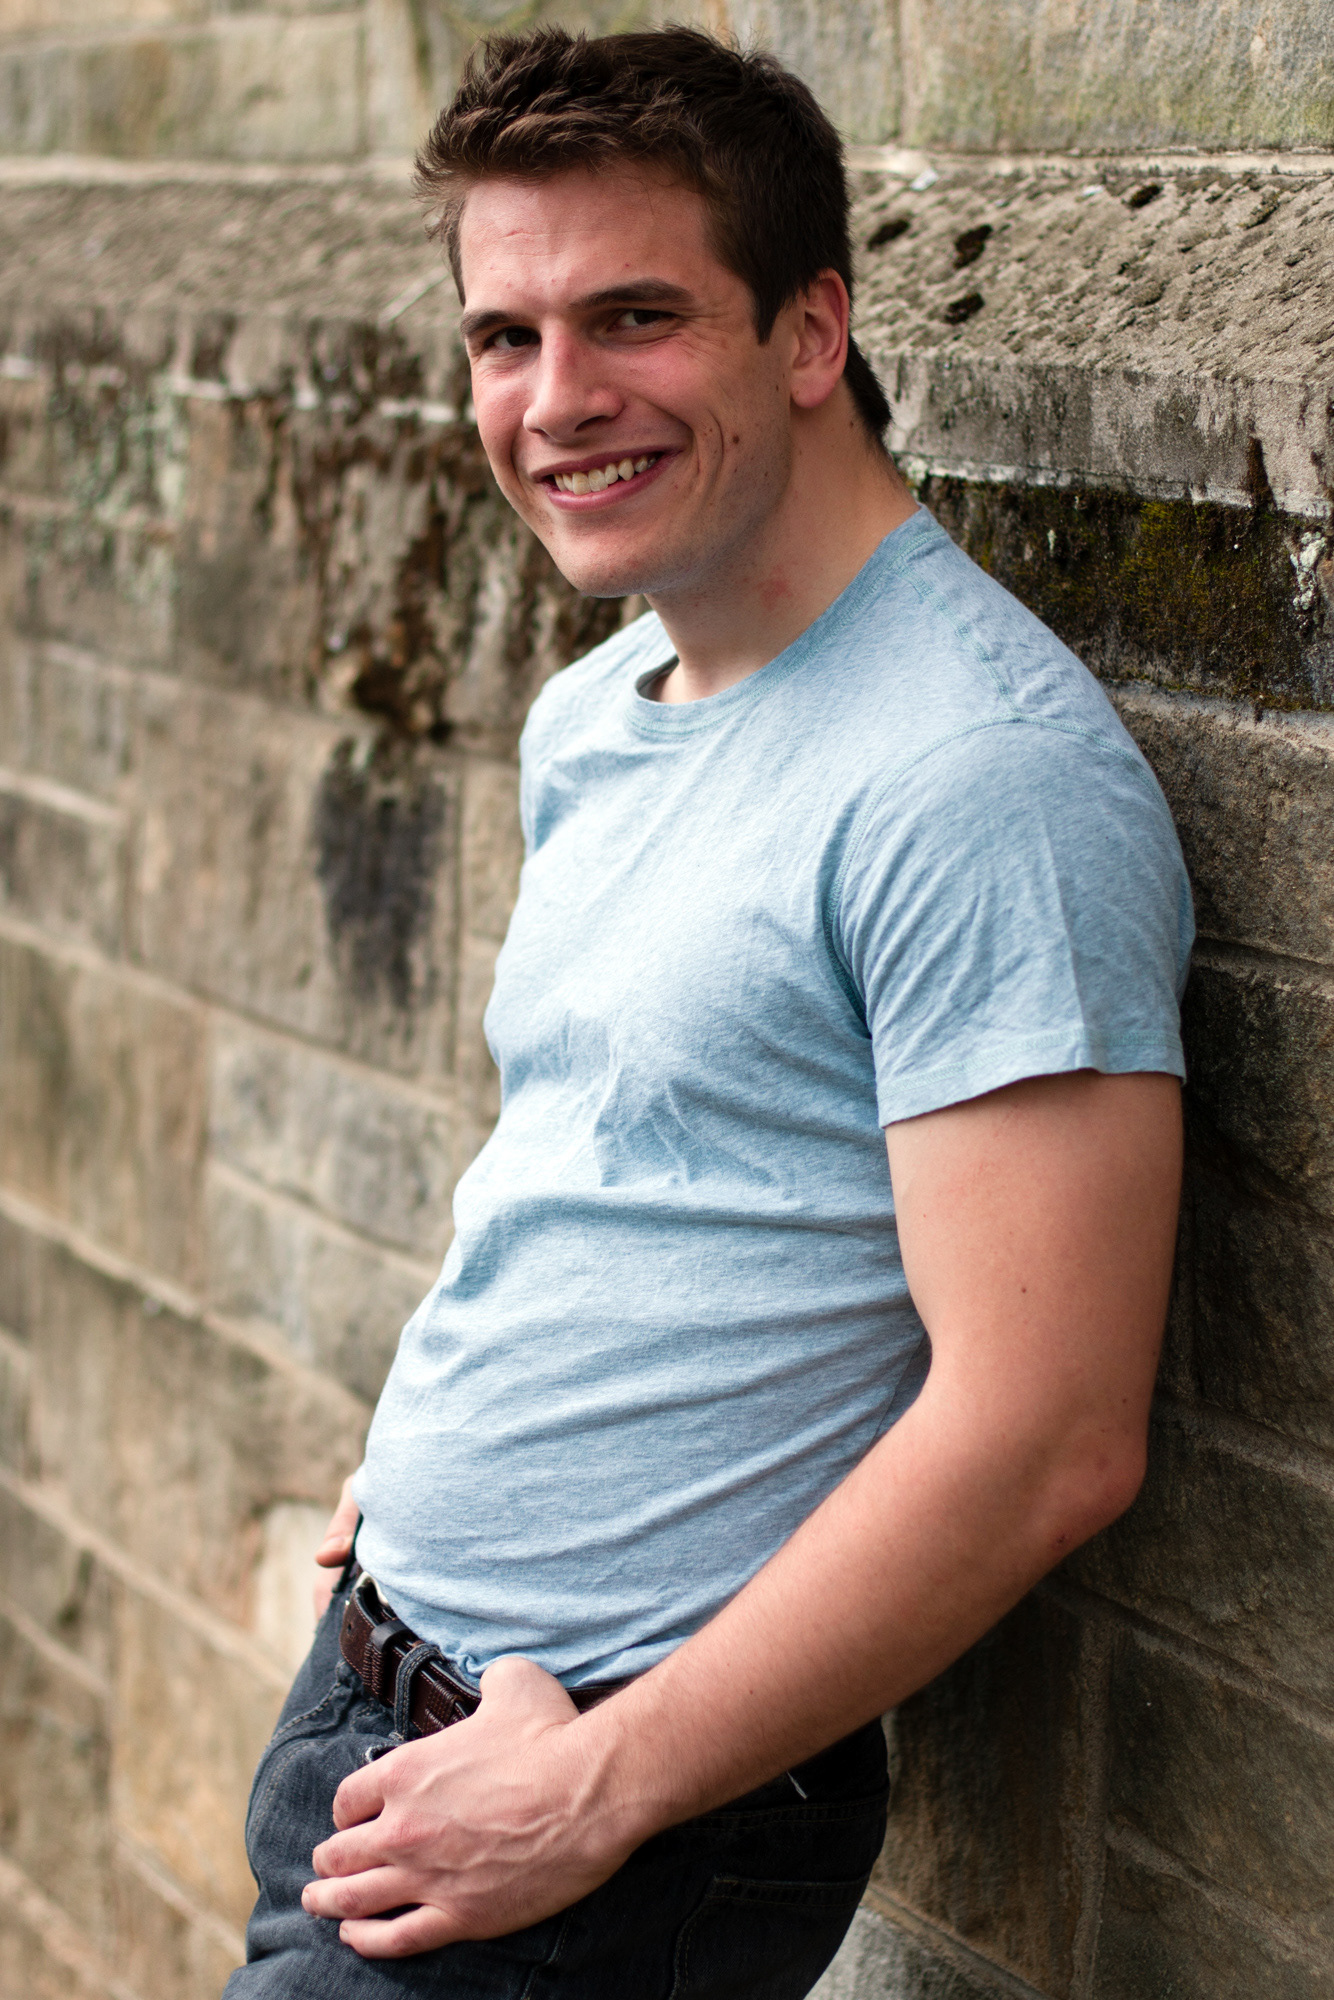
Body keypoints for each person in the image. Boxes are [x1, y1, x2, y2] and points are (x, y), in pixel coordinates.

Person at [224, 25, 1192, 1999]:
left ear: (810, 331)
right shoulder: (599, 708)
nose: (555, 400)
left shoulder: (976, 779)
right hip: (382, 1710)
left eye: (634, 318)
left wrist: (592, 1792)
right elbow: (621, 1152)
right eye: (504, 336)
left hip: (603, 1827)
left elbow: (1046, 1433)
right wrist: (432, 1463)